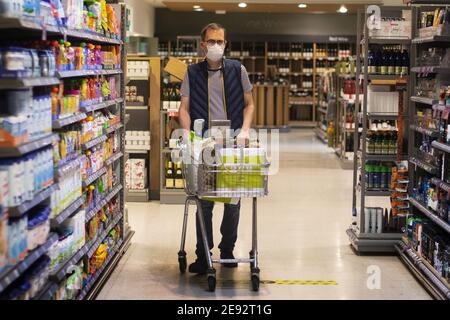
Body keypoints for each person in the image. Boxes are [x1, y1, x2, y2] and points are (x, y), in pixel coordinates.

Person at [179, 23, 255, 274]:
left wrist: (244, 129)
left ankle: (227, 250)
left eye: (220, 41)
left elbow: (249, 104)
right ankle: (203, 255)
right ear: (203, 44)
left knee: (233, 201)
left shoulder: (237, 70)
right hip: (205, 147)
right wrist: (189, 135)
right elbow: (184, 108)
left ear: (226, 43)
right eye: (211, 41)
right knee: (206, 201)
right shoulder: (192, 73)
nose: (216, 46)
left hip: (232, 145)